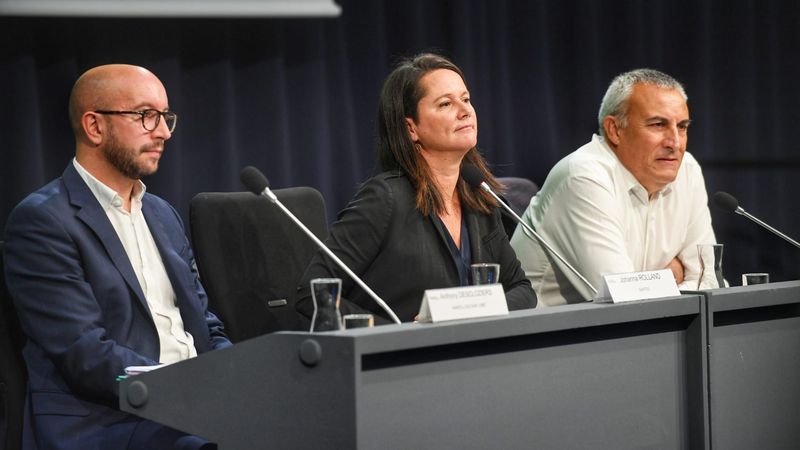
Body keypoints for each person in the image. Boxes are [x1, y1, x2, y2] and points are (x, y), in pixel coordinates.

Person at [3, 64, 232, 449]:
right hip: (109, 419)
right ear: (95, 126)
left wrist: (237, 373)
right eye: (146, 116)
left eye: (165, 117)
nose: (163, 131)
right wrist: (184, 391)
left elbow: (205, 323)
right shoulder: (42, 220)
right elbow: (84, 354)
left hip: (189, 405)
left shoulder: (162, 214)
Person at [296, 53, 536, 324]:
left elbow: (523, 291)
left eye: (466, 99)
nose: (465, 110)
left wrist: (472, 311)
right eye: (445, 104)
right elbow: (314, 293)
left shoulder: (478, 196)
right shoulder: (385, 199)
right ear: (411, 128)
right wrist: (397, 333)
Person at [510, 68, 717, 307]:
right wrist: (673, 274)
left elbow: (710, 281)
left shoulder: (687, 170)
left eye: (682, 127)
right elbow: (624, 301)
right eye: (658, 124)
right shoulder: (584, 176)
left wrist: (646, 282)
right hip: (548, 337)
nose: (675, 143)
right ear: (615, 130)